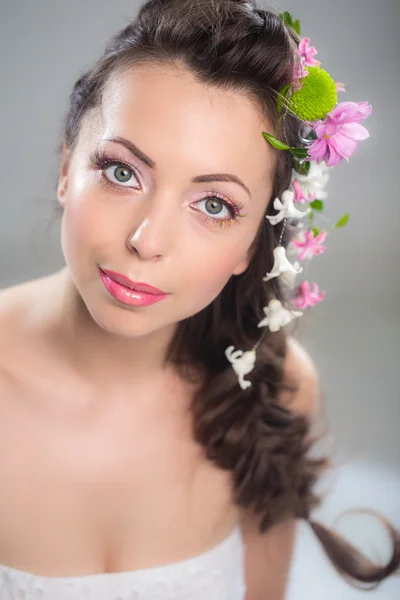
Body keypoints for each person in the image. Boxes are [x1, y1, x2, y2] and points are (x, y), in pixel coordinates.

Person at [0, 0, 398, 598]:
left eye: (214, 205)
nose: (146, 241)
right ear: (66, 168)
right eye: (121, 172)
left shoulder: (277, 388)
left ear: (250, 245)